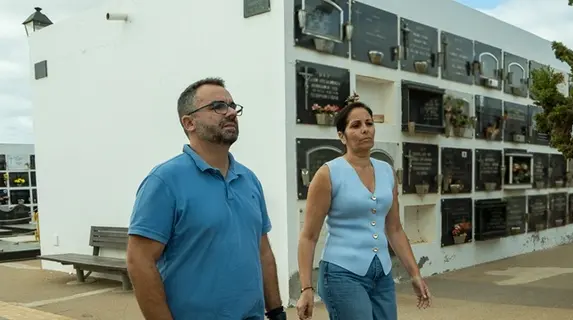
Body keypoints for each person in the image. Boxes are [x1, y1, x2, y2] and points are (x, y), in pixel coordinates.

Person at [126, 78, 286, 320]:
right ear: (189, 122)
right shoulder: (165, 181)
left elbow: (263, 251)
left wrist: (276, 311)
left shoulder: (249, 179)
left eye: (233, 106)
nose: (231, 112)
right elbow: (139, 261)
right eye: (218, 106)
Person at [296, 95, 431, 320]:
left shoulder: (387, 171)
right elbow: (308, 236)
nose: (365, 130)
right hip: (342, 273)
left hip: (382, 274)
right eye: (356, 125)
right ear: (342, 136)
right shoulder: (328, 174)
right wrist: (306, 288)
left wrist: (415, 274)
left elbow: (395, 229)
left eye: (369, 123)